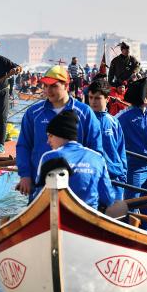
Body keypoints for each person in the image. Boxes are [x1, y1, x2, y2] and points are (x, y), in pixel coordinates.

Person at [16, 66, 103, 198]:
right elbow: (23, 146)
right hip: (41, 185)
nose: (48, 90)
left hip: (77, 186)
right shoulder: (33, 113)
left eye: (53, 86)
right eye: (45, 86)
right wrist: (25, 175)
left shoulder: (85, 113)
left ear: (66, 85)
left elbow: (96, 150)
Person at [33, 110, 116, 210]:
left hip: (58, 212)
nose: (48, 141)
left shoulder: (49, 157)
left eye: (50, 136)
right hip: (89, 214)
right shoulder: (97, 157)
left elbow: (38, 196)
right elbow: (108, 199)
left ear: (61, 134)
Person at [117, 77, 147, 231]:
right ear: (144, 98)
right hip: (134, 168)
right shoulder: (123, 117)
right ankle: (132, 234)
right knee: (132, 207)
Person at [87, 77, 128, 199]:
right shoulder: (83, 121)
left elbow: (121, 150)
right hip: (92, 178)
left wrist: (123, 175)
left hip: (114, 178)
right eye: (91, 97)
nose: (93, 102)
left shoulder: (114, 122)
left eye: (97, 98)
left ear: (107, 99)